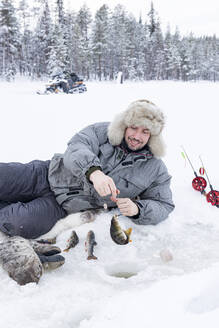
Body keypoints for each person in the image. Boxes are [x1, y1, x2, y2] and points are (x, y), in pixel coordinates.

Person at [0, 99, 174, 241]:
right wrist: (94, 172)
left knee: (13, 222)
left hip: (61, 205)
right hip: (45, 173)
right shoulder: (102, 131)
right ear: (125, 125)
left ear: (153, 136)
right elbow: (77, 146)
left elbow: (163, 205)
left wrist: (138, 209)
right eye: (134, 128)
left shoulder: (155, 169)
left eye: (145, 131)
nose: (137, 136)